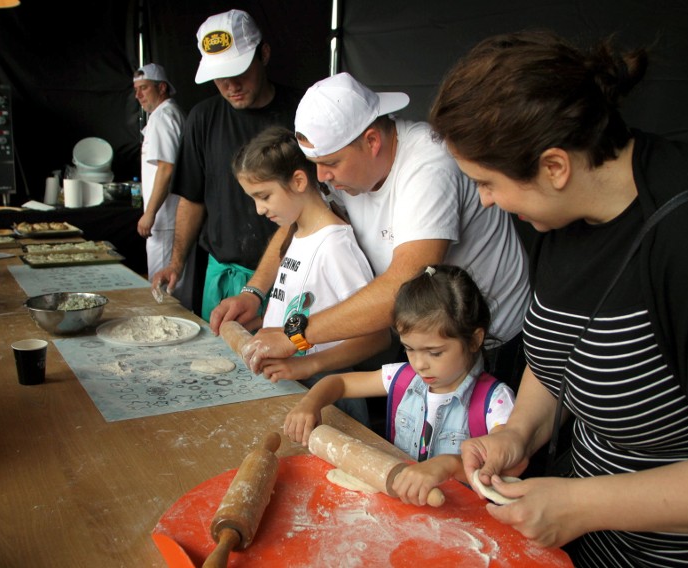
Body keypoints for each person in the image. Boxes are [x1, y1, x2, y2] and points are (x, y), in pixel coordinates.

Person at [428, 30, 688, 566]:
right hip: (591, 541)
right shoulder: (559, 213)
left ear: (554, 166)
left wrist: (582, 504)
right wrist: (519, 433)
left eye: (487, 182)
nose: (485, 200)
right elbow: (558, 355)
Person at [219, 72, 530, 388]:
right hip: (428, 338)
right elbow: (300, 218)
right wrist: (254, 291)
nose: (321, 176)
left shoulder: (428, 165)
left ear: (371, 141)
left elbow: (404, 284)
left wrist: (294, 334)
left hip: (491, 338)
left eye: (330, 163)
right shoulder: (342, 172)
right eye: (314, 164)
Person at [284, 265, 515, 505]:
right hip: (402, 507)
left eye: (434, 353)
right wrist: (310, 404)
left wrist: (447, 466)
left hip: (464, 520)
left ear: (475, 340)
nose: (419, 364)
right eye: (409, 349)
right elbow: (339, 382)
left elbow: (508, 466)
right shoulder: (404, 378)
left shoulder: (495, 402)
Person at [151, 9, 302, 320]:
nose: (231, 85)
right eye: (220, 76)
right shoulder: (203, 118)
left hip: (290, 276)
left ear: (264, 54)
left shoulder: (301, 112)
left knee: (285, 363)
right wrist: (176, 262)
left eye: (240, 71)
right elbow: (192, 199)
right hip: (223, 278)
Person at [232, 126, 390, 423]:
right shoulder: (296, 232)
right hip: (291, 385)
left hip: (326, 397)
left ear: (299, 181)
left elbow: (377, 337)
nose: (258, 209)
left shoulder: (334, 245)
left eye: (264, 196)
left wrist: (308, 364)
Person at [132, 63, 194, 307]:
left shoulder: (164, 116)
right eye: (136, 90)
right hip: (166, 221)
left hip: (166, 222)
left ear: (162, 88)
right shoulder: (162, 116)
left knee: (165, 294)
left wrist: (149, 214)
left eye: (144, 88)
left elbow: (167, 168)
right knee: (168, 290)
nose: (138, 95)